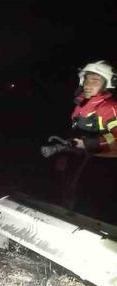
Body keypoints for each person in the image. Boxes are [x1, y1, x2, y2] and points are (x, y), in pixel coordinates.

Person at [63, 60, 117, 223]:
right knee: (72, 199)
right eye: (86, 79)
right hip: (82, 161)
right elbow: (76, 132)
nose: (88, 84)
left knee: (95, 209)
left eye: (95, 80)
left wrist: (87, 143)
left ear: (107, 84)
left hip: (107, 166)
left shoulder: (110, 107)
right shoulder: (82, 105)